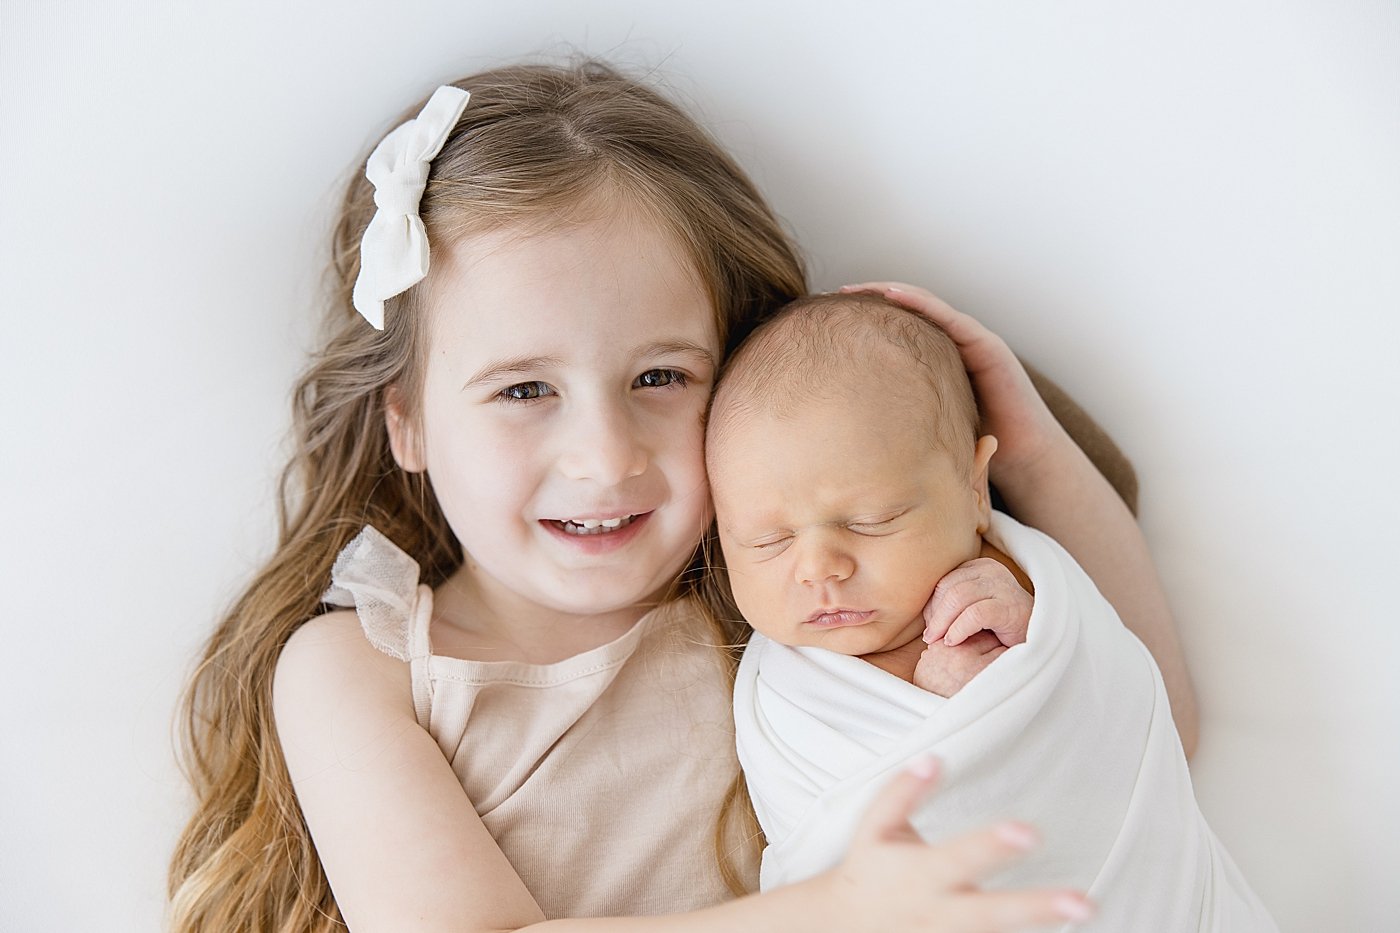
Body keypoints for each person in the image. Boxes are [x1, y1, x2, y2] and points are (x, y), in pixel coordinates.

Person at [165, 59, 1186, 932]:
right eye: (524, 390)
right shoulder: (365, 669)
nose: (605, 458)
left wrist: (1029, 451)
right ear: (409, 423)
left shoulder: (799, 596)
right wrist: (830, 911)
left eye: (660, 378)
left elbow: (1154, 729)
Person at [708, 291, 1276, 929]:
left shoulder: (1022, 584)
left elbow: (1145, 718)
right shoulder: (776, 686)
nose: (817, 567)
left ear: (975, 487)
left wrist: (1025, 652)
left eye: (871, 521)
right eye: (766, 541)